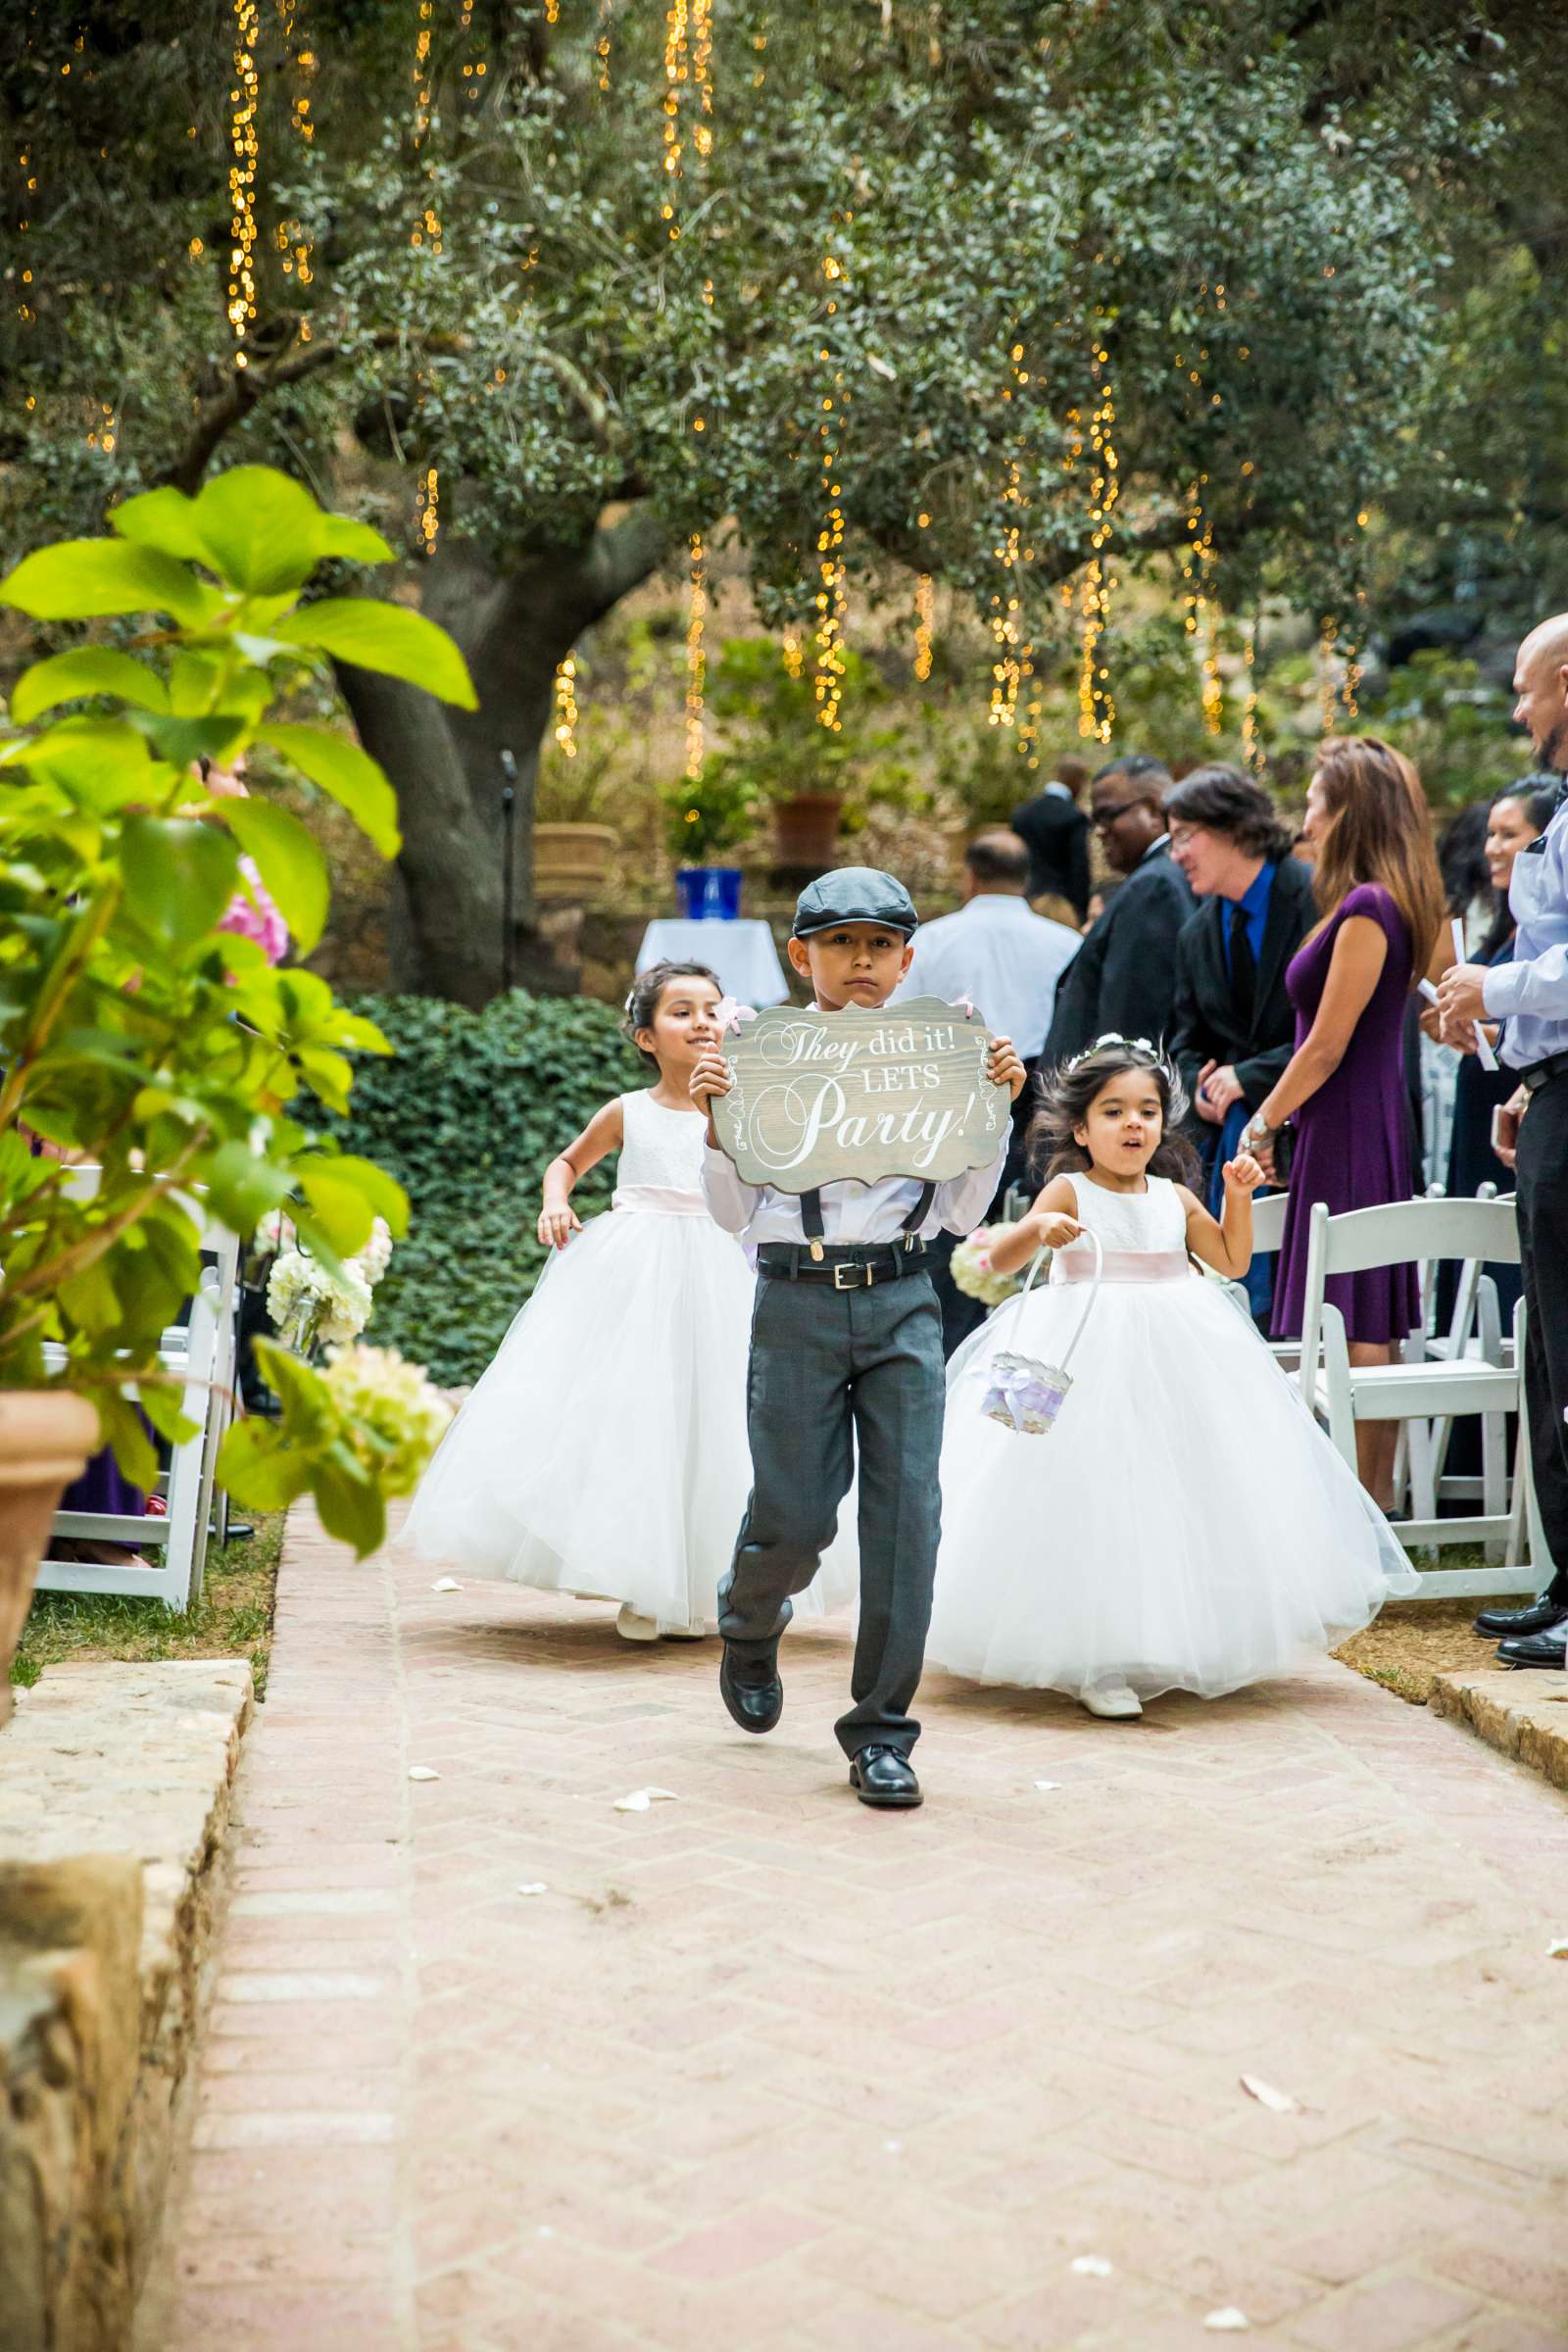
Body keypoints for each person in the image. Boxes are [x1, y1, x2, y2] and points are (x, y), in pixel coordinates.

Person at [927, 1040, 1416, 1718]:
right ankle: (1096, 1655)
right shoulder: (1071, 1188)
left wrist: (1238, 1196)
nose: (1133, 1125)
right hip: (1083, 1345)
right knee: (1097, 1492)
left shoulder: (1176, 1194)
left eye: (1148, 1111)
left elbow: (1231, 1259)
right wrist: (1043, 1224)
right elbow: (1003, 1258)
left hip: (1178, 1351)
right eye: (1114, 1111)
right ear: (1080, 1128)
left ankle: (1180, 1635)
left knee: (1178, 1492)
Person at [693, 869, 1026, 1810]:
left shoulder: (939, 1054)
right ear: (804, 957)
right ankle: (751, 1617)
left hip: (903, 1298)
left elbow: (961, 1213)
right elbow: (727, 1213)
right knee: (796, 1516)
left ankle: (881, 1731)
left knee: (907, 1517)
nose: (862, 962)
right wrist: (719, 1129)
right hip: (793, 1299)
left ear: (907, 959)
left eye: (881, 946)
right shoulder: (759, 1049)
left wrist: (993, 1112)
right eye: (841, 944)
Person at [403, 963, 853, 1639]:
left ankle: (709, 1581)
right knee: (639, 1420)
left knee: (719, 1420)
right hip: (634, 1272)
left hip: (722, 1267)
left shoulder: (752, 1105)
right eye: (680, 1011)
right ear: (646, 1037)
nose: (701, 1021)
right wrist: (556, 1203)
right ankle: (647, 1584)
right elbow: (566, 1163)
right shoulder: (628, 1111)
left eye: (711, 1008)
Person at [1242, 737, 1445, 1507]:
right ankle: (1366, 1500)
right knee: (1362, 1316)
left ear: (1348, 809)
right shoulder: (1382, 899)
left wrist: (1261, 1124)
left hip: (1352, 1124)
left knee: (1358, 1315)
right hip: (1356, 1121)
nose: (1305, 817)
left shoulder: (1369, 906)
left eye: (1314, 801)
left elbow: (1325, 1047)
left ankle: (1367, 1501)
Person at [1439, 612, 1568, 1664]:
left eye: (1527, 690)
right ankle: (1566, 1582)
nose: (1518, 709)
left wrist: (1498, 984)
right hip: (1553, 1096)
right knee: (1552, 1343)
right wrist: (1510, 1059)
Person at [894, 829, 1081, 1353]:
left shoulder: (929, 940)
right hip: (1046, 1098)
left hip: (952, 1097)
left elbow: (902, 1026)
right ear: (1026, 880)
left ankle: (952, 1347)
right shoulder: (1067, 943)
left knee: (954, 1219)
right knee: (1034, 1218)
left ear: (968, 875)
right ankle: (1027, 1345)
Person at [1165, 763, 1317, 1320]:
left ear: (1233, 826)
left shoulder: (1314, 897)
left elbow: (1332, 1026)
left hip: (1314, 1126)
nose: (1176, 853)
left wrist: (1246, 1076)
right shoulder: (1196, 930)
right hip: (1228, 1146)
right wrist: (1199, 1083)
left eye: (1185, 836)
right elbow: (1186, 1040)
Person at [1440, 776, 1561, 1326]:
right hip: (1506, 1099)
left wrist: (1489, 1013)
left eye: (1509, 834)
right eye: (1489, 833)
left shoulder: (1534, 939)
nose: (1492, 847)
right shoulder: (1507, 932)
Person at [1044, 754, 1195, 1061]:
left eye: (1108, 815)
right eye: (1094, 819)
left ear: (1154, 811)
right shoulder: (1162, 876)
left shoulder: (1155, 887)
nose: (1098, 830)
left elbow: (1130, 1024)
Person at [1011, 754, 1092, 918]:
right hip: (1061, 906)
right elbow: (1079, 868)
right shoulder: (1073, 817)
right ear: (1077, 780)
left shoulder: (1023, 814)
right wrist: (1082, 910)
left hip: (1025, 900)